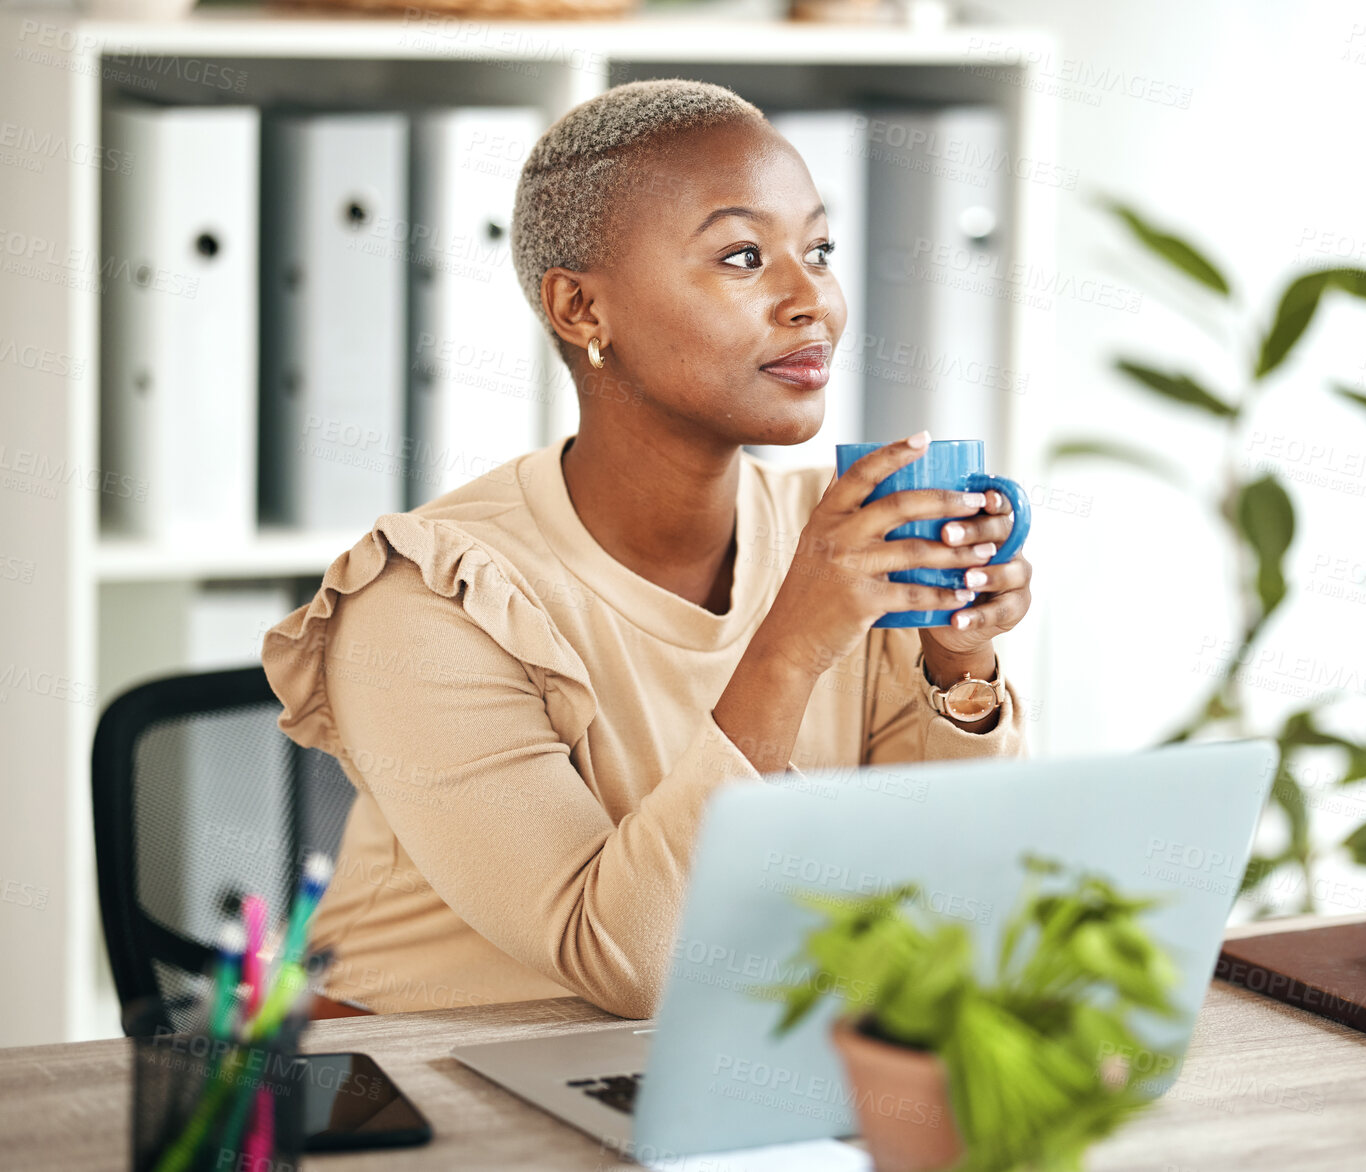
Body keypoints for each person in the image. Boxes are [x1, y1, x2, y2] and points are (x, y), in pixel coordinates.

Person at [261, 78, 1033, 1019]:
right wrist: (792, 645)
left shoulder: (829, 539)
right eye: (745, 256)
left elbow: (943, 898)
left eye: (818, 250)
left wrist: (957, 664)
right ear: (582, 311)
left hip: (729, 1059)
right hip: (431, 1093)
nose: (812, 301)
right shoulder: (428, 602)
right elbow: (629, 964)